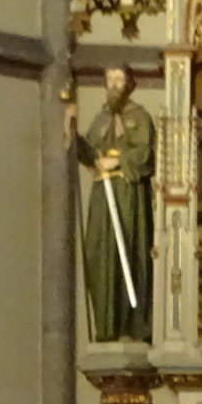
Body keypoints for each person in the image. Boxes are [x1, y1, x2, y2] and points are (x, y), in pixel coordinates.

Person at [65, 65, 154, 344]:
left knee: (128, 252)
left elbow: (147, 153)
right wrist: (71, 130)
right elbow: (90, 152)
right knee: (100, 253)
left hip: (128, 194)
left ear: (129, 84)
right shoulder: (102, 117)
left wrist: (117, 161)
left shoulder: (139, 117)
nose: (113, 85)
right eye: (109, 80)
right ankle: (107, 325)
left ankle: (131, 326)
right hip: (103, 195)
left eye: (119, 79)